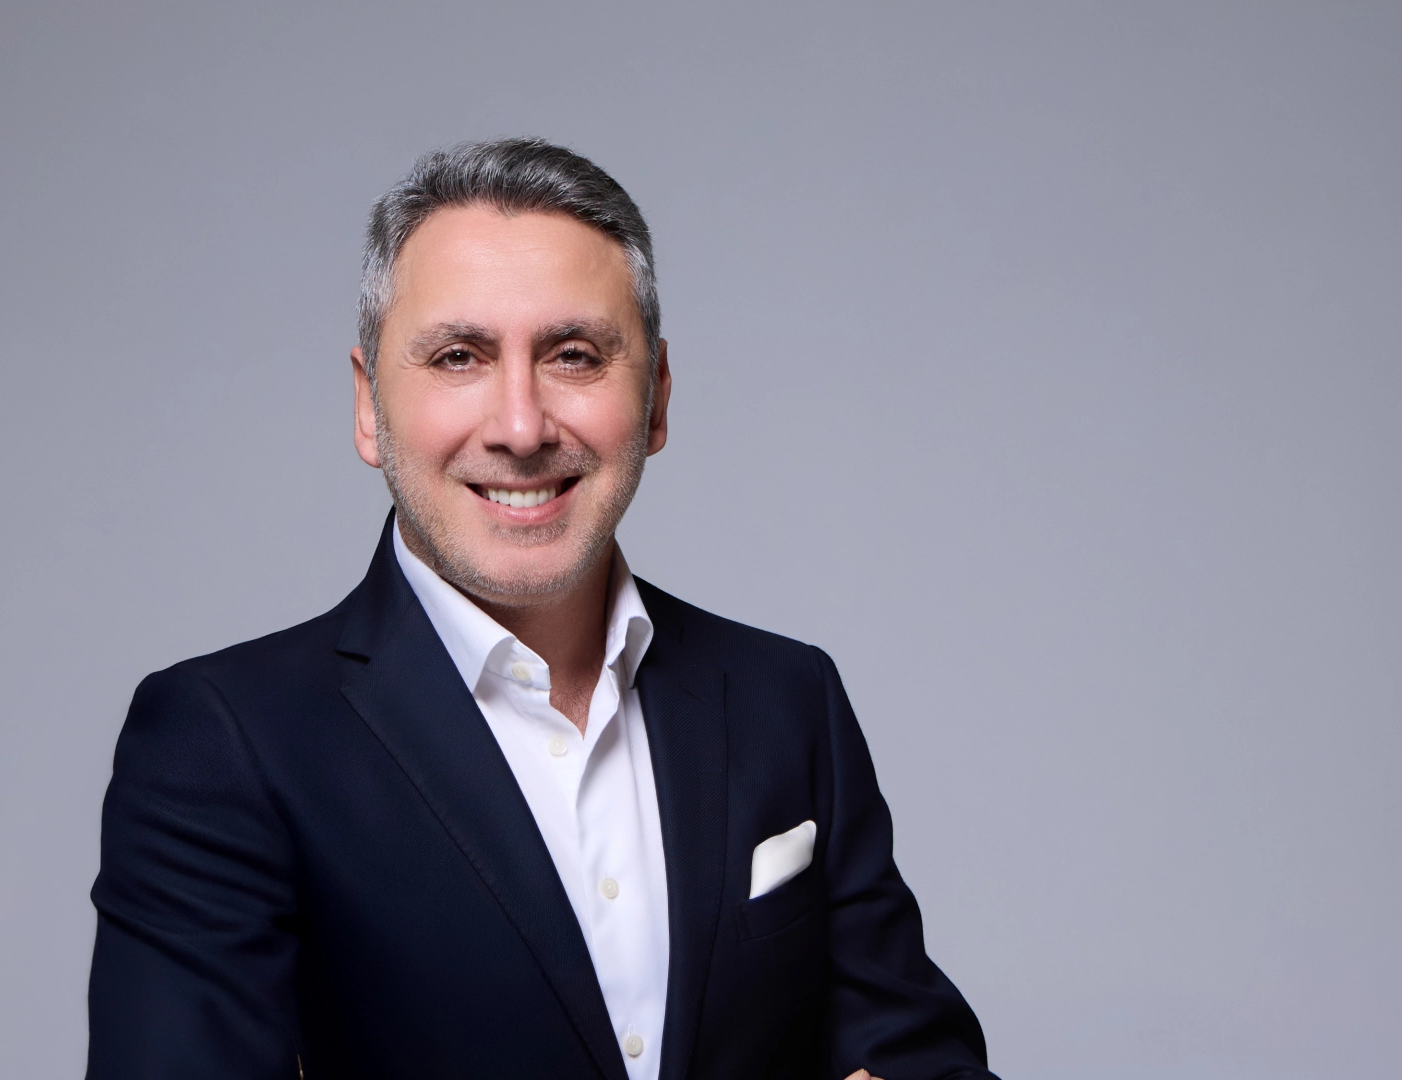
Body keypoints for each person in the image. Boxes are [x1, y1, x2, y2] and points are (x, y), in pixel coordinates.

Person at [85, 137, 998, 1080]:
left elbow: (921, 1058)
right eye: (457, 357)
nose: (520, 428)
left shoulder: (785, 697)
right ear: (368, 407)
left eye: (573, 355)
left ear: (656, 398)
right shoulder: (223, 742)